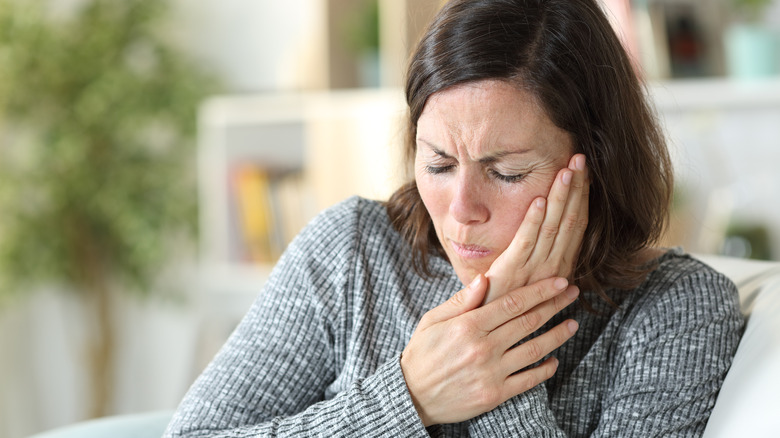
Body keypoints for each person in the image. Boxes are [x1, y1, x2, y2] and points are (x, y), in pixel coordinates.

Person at [164, 0, 743, 436]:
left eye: (508, 172)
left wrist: (498, 355)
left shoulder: (676, 309)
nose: (462, 210)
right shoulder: (349, 251)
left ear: (597, 164)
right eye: (439, 163)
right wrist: (408, 398)